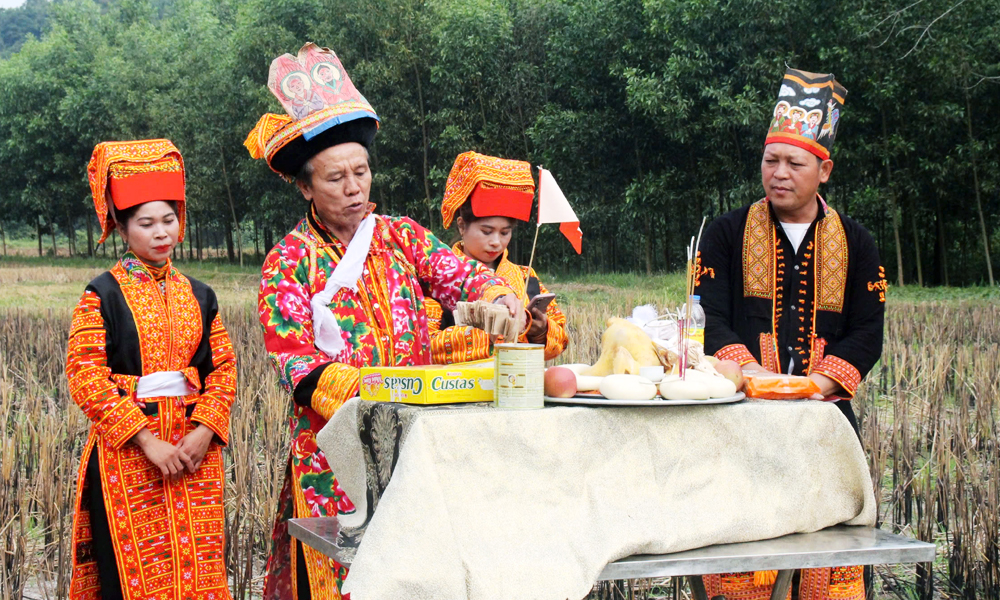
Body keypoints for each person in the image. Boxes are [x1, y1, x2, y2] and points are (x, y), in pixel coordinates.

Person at [245, 43, 522, 600]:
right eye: (334, 178)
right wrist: (381, 391)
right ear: (304, 187)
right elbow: (297, 366)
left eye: (361, 172)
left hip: (419, 449)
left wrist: (498, 293)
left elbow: (458, 273)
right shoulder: (287, 263)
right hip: (335, 459)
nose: (353, 188)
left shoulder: (400, 236)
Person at [697, 68, 886, 600]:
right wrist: (753, 375)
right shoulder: (725, 233)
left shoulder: (858, 242)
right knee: (738, 551)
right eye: (770, 160)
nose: (779, 173)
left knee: (827, 554)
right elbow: (709, 315)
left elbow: (867, 332)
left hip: (826, 421)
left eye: (794, 163)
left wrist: (816, 386)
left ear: (823, 169)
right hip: (741, 417)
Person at [66, 139, 237, 600]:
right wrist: (146, 440)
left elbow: (223, 367)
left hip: (192, 453)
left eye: (170, 220)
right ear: (122, 227)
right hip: (129, 455)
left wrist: (204, 432)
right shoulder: (100, 294)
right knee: (131, 578)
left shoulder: (201, 295)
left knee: (198, 575)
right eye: (146, 223)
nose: (161, 232)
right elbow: (84, 374)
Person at [425, 151, 570, 363]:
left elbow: (560, 342)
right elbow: (426, 346)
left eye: (505, 232)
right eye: (486, 231)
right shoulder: (437, 278)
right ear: (462, 226)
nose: (496, 242)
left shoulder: (525, 277)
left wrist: (540, 330)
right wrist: (495, 331)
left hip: (519, 386)